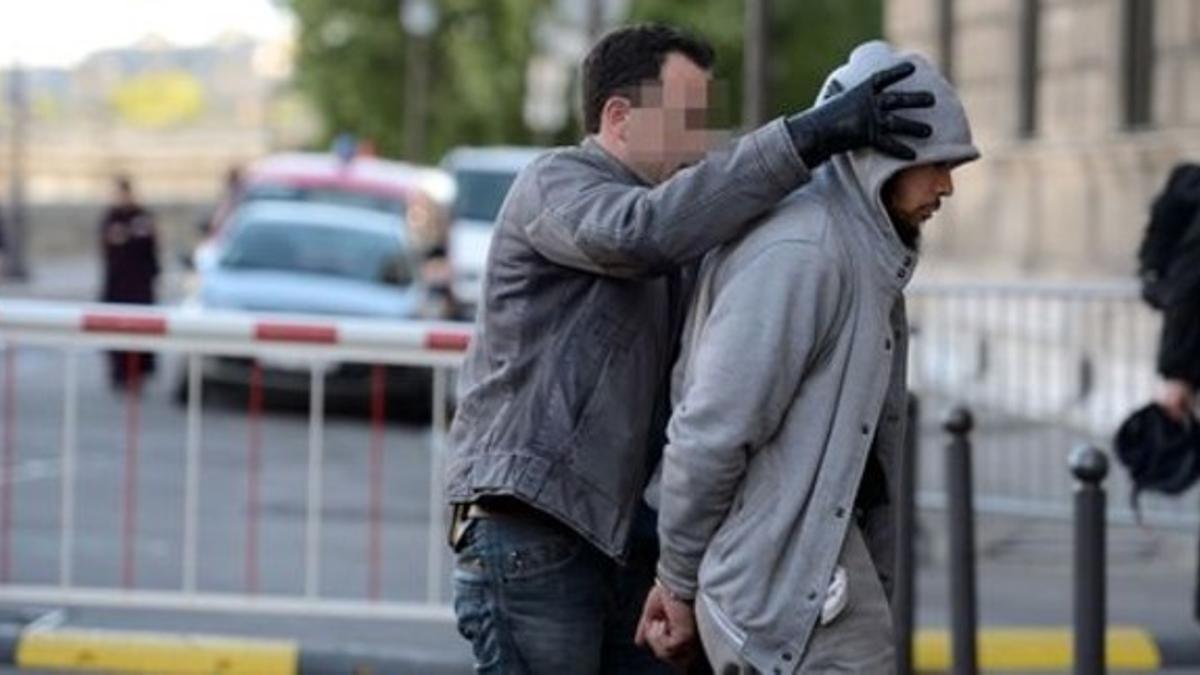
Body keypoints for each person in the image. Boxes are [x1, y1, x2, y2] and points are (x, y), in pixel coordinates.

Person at [445, 24, 937, 674]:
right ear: (619, 116)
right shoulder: (555, 184)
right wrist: (813, 134)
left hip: (613, 540)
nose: (702, 141)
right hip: (535, 533)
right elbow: (641, 234)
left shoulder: (680, 217)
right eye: (688, 119)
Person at [637, 41, 979, 674]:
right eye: (936, 163)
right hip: (781, 593)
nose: (947, 186)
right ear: (882, 157)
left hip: (806, 578)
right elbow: (713, 430)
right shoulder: (807, 251)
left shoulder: (861, 247)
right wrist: (677, 578)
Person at [99, 175, 160, 390]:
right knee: (116, 329)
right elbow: (109, 243)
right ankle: (119, 373)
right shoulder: (111, 216)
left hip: (139, 285)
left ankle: (138, 373)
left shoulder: (142, 215)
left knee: (140, 330)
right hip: (118, 284)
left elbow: (150, 246)